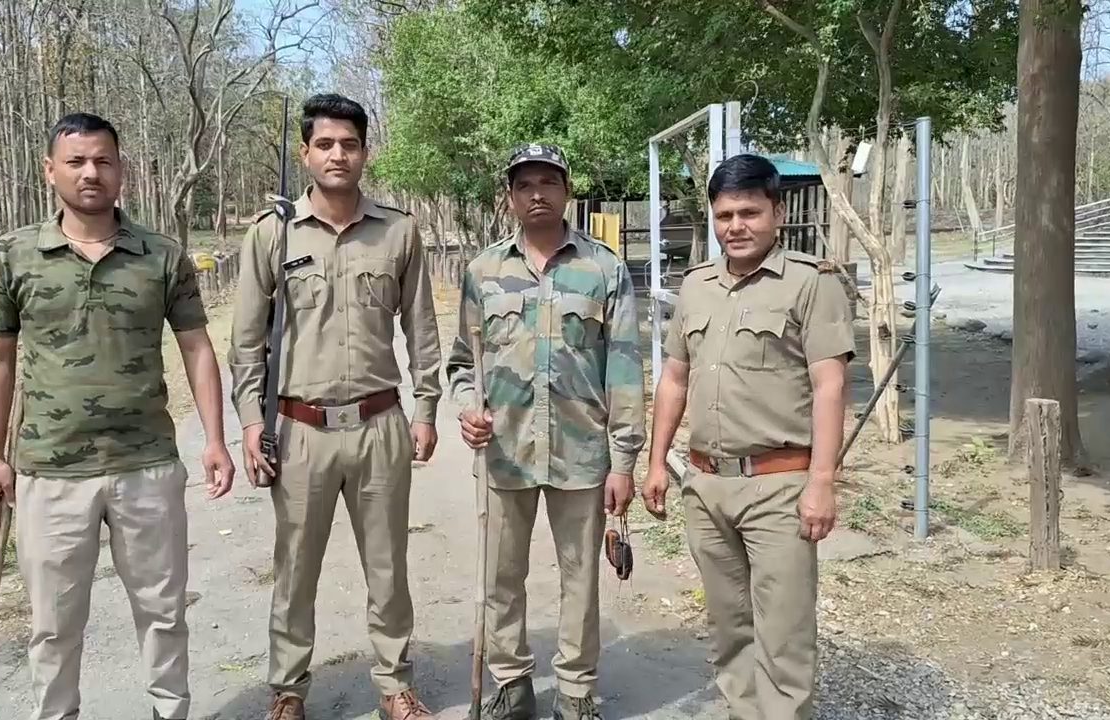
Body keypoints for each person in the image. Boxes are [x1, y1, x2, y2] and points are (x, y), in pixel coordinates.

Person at [0, 112, 235, 720]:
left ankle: (169, 712)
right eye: (76, 161)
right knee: (53, 624)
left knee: (163, 612)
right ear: (50, 170)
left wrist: (215, 440)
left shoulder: (161, 255)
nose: (90, 173)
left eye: (103, 161)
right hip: (49, 471)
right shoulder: (13, 256)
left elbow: (196, 346)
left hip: (145, 465)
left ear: (122, 170)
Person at [227, 92, 443, 720]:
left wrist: (425, 408)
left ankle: (395, 685)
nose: (338, 154)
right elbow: (245, 341)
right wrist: (248, 422)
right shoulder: (272, 233)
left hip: (379, 425)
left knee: (388, 566)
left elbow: (422, 330)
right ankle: (289, 690)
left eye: (349, 143)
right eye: (325, 144)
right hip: (299, 431)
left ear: (365, 151)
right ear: (305, 153)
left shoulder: (399, 231)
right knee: (294, 569)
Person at [640, 154, 854, 720]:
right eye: (724, 214)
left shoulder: (812, 284)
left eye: (750, 212)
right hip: (706, 486)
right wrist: (657, 461)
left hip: (779, 486)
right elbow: (675, 378)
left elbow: (830, 386)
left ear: (778, 213)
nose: (736, 225)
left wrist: (823, 482)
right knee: (730, 628)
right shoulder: (697, 286)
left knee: (783, 633)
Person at [446, 143, 646, 720]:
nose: (537, 193)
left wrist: (624, 461)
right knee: (500, 576)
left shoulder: (603, 268)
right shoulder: (483, 271)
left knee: (580, 581)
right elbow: (464, 360)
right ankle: (512, 683)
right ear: (509, 196)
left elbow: (625, 368)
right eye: (524, 184)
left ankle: (577, 691)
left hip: (581, 450)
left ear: (566, 190)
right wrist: (466, 407)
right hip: (504, 449)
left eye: (548, 182)